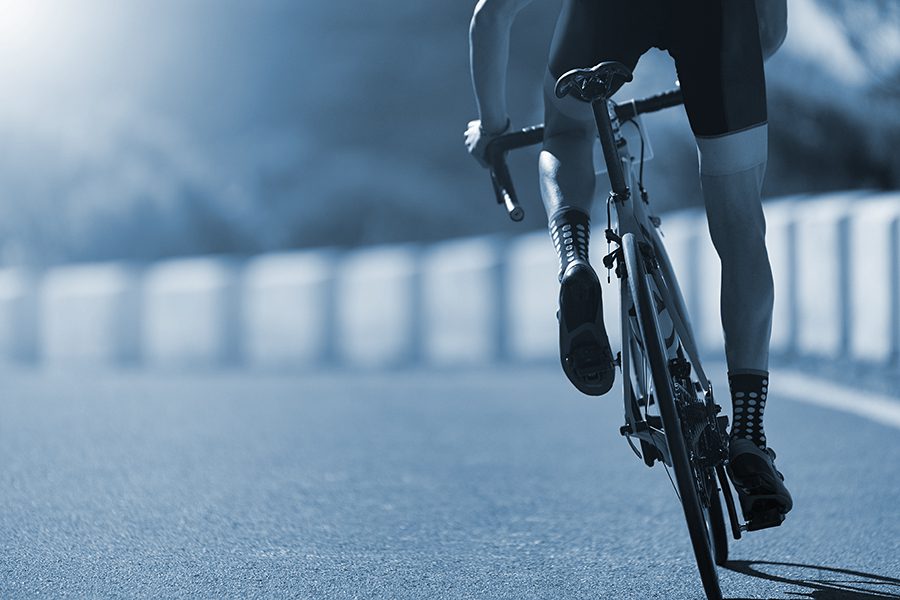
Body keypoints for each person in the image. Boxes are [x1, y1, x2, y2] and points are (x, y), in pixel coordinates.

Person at [465, 0, 792, 522]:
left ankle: (574, 256)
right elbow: (770, 30)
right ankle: (749, 435)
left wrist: (492, 125)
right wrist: (723, 77)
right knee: (741, 230)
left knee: (568, 132)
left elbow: (491, 15)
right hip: (720, 21)